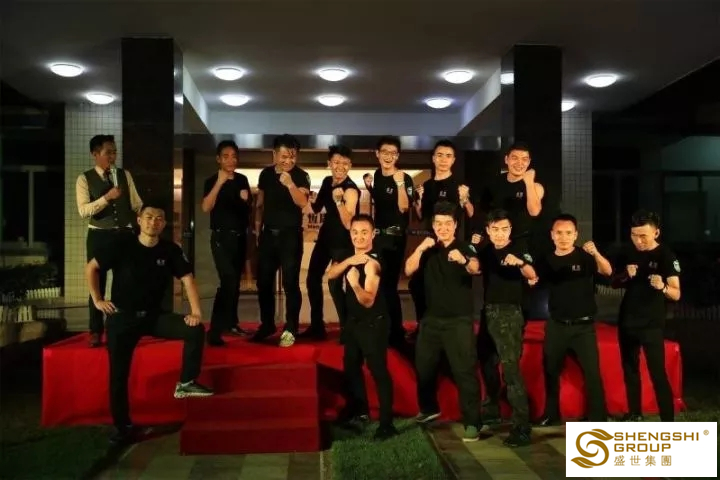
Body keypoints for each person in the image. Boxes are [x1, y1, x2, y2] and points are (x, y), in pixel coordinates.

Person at [85, 202, 213, 445]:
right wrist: (98, 300)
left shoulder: (170, 250)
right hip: (123, 318)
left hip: (154, 316)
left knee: (195, 330)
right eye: (149, 217)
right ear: (139, 220)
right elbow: (92, 268)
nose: (153, 222)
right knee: (118, 375)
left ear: (164, 224)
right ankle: (122, 427)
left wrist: (196, 312)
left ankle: (186, 382)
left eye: (159, 218)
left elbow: (187, 279)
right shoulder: (122, 244)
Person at [405, 201, 483, 442]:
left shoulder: (465, 247)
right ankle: (429, 408)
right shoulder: (428, 249)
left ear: (455, 225)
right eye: (438, 224)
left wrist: (463, 260)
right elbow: (408, 270)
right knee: (424, 367)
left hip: (459, 321)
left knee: (464, 371)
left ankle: (473, 422)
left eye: (448, 223)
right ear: (433, 225)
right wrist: (420, 249)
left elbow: (475, 268)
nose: (443, 228)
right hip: (430, 320)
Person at [535, 214, 612, 426]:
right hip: (557, 324)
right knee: (550, 370)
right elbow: (534, 281)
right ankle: (551, 414)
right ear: (552, 235)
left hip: (583, 326)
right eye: (559, 233)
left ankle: (598, 417)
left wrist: (596, 253)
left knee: (592, 373)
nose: (564, 237)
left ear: (576, 234)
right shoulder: (546, 260)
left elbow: (607, 271)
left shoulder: (585, 257)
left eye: (568, 233)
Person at [327, 214, 398, 440]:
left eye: (364, 232)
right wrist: (349, 262)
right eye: (355, 232)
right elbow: (330, 274)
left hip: (373, 324)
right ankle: (361, 412)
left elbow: (367, 300)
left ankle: (386, 424)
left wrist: (354, 283)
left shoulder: (372, 263)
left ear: (373, 234)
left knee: (378, 371)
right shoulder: (349, 256)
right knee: (351, 368)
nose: (359, 237)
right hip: (354, 323)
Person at [475, 209, 537, 447]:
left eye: (504, 229)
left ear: (510, 230)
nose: (500, 234)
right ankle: (492, 408)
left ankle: (522, 426)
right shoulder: (486, 251)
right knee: (486, 361)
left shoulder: (519, 249)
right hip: (488, 311)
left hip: (509, 313)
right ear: (488, 230)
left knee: (510, 370)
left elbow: (532, 273)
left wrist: (520, 263)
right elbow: (474, 266)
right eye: (495, 229)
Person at [613, 209, 680, 422]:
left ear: (656, 233)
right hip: (627, 320)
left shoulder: (666, 255)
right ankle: (635, 414)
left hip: (651, 324)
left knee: (657, 373)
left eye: (643, 236)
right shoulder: (628, 252)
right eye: (634, 235)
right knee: (630, 369)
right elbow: (614, 282)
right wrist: (626, 274)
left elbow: (676, 293)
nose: (638, 240)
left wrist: (662, 287)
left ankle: (667, 421)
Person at [76, 134, 143, 348]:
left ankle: (120, 326)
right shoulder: (84, 178)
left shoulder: (124, 175)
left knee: (125, 282)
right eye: (108, 153)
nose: (112, 157)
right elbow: (83, 211)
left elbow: (136, 203)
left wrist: (143, 220)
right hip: (100, 235)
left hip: (125, 233)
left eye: (114, 152)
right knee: (98, 281)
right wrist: (106, 198)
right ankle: (95, 330)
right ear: (95, 154)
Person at [253, 134, 311, 347]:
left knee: (290, 283)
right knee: (263, 282)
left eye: (293, 156)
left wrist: (290, 184)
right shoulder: (266, 174)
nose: (288, 160)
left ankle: (291, 327)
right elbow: (260, 204)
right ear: (274, 154)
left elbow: (302, 202)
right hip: (268, 235)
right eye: (284, 156)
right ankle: (267, 324)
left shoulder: (301, 176)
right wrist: (257, 229)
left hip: (290, 235)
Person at [410, 139, 473, 333]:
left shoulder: (460, 185)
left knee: (451, 286)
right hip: (431, 244)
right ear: (433, 158)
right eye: (440, 155)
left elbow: (471, 213)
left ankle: (456, 327)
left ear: (453, 160)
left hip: (453, 244)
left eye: (448, 156)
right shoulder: (427, 186)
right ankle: (424, 326)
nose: (444, 159)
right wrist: (418, 202)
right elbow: (421, 216)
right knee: (418, 284)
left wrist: (465, 199)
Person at [301, 145, 360, 339]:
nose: (340, 166)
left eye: (345, 163)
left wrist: (339, 201)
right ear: (329, 164)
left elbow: (348, 223)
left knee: (335, 285)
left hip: (343, 243)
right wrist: (307, 196)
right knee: (312, 279)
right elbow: (316, 208)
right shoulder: (327, 182)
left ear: (350, 165)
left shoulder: (351, 190)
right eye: (336, 162)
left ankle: (348, 328)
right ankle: (317, 326)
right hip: (325, 240)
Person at [201, 140, 252, 345]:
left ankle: (231, 323)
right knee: (228, 281)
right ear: (218, 159)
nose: (231, 160)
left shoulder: (242, 179)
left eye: (234, 156)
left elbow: (248, 209)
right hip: (221, 238)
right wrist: (220, 183)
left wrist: (246, 200)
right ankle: (214, 331)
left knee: (234, 283)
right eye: (226, 156)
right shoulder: (211, 181)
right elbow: (206, 207)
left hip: (239, 237)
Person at [364, 136, 414, 346]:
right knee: (376, 283)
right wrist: (369, 187)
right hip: (378, 237)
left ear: (397, 156)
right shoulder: (377, 175)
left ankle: (396, 332)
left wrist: (400, 184)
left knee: (389, 286)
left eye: (393, 153)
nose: (388, 156)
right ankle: (382, 325)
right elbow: (382, 203)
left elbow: (404, 207)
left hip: (395, 238)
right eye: (385, 152)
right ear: (378, 154)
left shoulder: (405, 178)